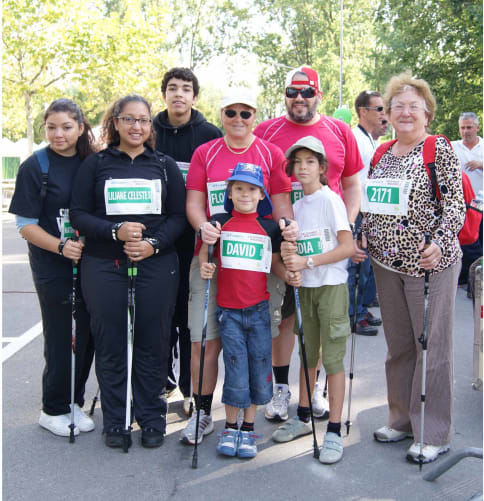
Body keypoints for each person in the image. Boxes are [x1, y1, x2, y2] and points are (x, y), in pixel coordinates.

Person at [356, 72, 465, 464]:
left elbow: (455, 206)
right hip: (386, 264)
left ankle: (433, 431)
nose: (405, 112)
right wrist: (364, 232)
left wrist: (437, 243)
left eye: (413, 107)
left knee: (431, 346)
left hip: (429, 264)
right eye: (397, 106)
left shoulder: (439, 149)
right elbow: (373, 202)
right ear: (387, 113)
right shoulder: (382, 154)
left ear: (427, 113)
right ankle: (401, 420)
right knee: (399, 345)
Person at [70, 95, 186, 449]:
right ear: (115, 122)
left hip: (156, 262)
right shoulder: (96, 165)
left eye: (144, 120)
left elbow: (179, 217)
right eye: (129, 119)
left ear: (151, 125)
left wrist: (153, 244)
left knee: (154, 341)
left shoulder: (164, 165)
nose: (137, 127)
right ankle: (117, 420)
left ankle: (151, 417)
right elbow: (78, 213)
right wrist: (113, 231)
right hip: (105, 263)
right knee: (111, 342)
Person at [182, 89, 295, 446]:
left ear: (255, 117)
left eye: (245, 114)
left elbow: (281, 204)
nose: (238, 120)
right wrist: (204, 228)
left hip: (257, 261)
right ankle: (202, 412)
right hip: (213, 259)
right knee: (204, 341)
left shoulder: (270, 152)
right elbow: (194, 203)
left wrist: (287, 228)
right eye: (231, 113)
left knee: (260, 340)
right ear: (221, 115)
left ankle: (253, 417)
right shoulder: (206, 152)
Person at [254, 66, 363, 422]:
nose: (299, 99)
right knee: (286, 320)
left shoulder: (339, 130)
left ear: (318, 94)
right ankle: (281, 389)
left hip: (326, 238)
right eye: (291, 92)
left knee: (316, 323)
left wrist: (344, 226)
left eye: (306, 92)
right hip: (280, 238)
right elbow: (262, 184)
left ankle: (314, 389)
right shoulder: (266, 130)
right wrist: (281, 235)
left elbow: (350, 185)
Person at [9, 98, 96, 437]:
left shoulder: (91, 161)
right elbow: (25, 224)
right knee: (61, 335)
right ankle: (53, 408)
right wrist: (61, 246)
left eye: (66, 127)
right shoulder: (36, 166)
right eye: (51, 127)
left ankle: (74, 400)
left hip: (91, 265)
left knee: (87, 333)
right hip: (51, 265)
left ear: (80, 127)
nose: (58, 134)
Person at [199, 163, 297, 458]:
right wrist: (205, 264)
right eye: (239, 188)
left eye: (251, 189)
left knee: (257, 367)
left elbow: (275, 265)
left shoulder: (268, 228)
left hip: (258, 311)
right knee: (235, 369)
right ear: (229, 192)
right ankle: (230, 426)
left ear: (261, 194)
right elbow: (207, 255)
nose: (245, 194)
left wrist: (290, 273)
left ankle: (248, 428)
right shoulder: (218, 223)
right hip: (228, 312)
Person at [271, 136, 353, 465]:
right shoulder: (297, 205)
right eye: (298, 163)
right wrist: (292, 267)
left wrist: (308, 263)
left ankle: (333, 429)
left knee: (332, 359)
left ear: (322, 168)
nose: (302, 168)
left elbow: (346, 247)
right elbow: (297, 249)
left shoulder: (329, 200)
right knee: (307, 354)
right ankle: (304, 417)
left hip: (331, 287)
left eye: (310, 162)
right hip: (305, 288)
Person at [153, 67, 222, 413]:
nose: (179, 94)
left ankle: (190, 389)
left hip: (196, 241)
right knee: (161, 313)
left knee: (190, 316)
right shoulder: (148, 130)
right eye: (172, 88)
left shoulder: (209, 134)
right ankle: (162, 382)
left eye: (186, 89)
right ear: (164, 94)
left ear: (195, 96)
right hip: (160, 238)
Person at [348, 91, 385, 336]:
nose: (383, 114)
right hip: (359, 210)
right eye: (379, 109)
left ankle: (361, 308)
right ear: (363, 111)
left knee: (367, 267)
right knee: (357, 266)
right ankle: (353, 314)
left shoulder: (371, 140)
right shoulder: (353, 138)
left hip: (370, 211)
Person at [451, 112, 483, 198]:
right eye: (462, 128)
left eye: (469, 127)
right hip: (459, 201)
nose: (465, 131)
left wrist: (481, 165)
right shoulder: (451, 147)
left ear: (477, 128)